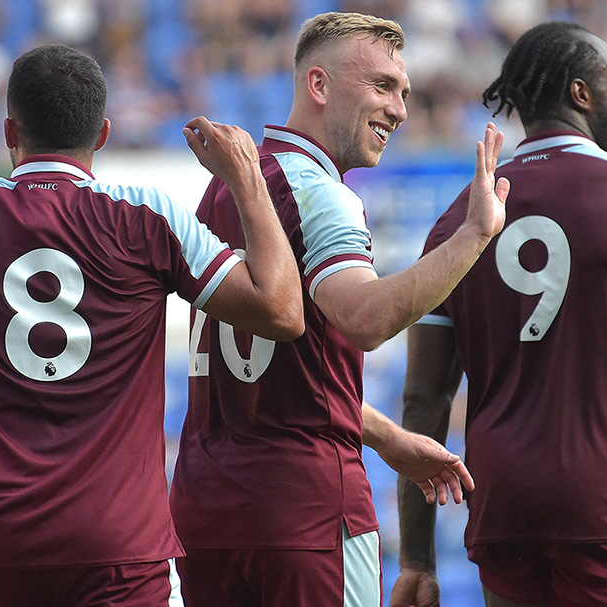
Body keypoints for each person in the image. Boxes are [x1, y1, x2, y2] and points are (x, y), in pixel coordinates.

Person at [0, 43, 304, 605]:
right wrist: (246, 179)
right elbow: (283, 311)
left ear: (8, 131)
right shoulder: (148, 217)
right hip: (121, 548)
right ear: (104, 134)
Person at [168, 11, 510, 607]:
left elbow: (287, 370)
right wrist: (474, 235)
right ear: (318, 86)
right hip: (307, 510)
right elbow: (365, 319)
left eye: (403, 93)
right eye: (382, 86)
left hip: (207, 509)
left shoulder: (226, 185)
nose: (400, 110)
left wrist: (382, 435)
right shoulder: (320, 192)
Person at [392, 21, 607, 607]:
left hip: (504, 511)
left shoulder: (454, 224)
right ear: (580, 93)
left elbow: (424, 400)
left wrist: (417, 557)